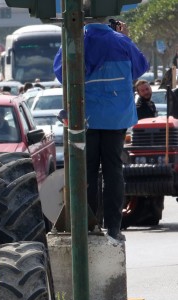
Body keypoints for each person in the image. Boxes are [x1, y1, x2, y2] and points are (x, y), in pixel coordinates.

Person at [54, 18, 148, 245]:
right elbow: (140, 67)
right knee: (113, 171)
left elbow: (60, 73)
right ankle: (114, 228)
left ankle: (89, 226)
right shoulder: (121, 42)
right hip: (116, 119)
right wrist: (125, 37)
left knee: (87, 173)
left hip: (85, 118)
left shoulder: (75, 40)